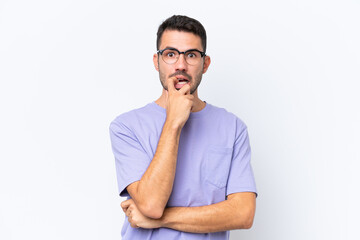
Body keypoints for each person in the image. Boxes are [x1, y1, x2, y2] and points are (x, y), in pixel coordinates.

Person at [109, 15, 257, 240]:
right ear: (156, 61)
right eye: (170, 54)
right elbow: (151, 204)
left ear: (205, 64)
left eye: (191, 55)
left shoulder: (233, 128)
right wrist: (173, 122)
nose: (181, 65)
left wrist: (161, 220)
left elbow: (244, 214)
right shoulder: (126, 127)